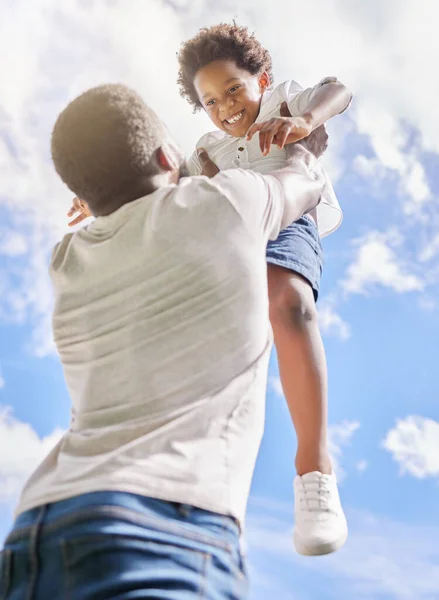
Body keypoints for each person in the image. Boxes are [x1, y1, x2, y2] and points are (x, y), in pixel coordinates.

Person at [0, 83, 325, 599]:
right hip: (163, 527)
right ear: (168, 155)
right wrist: (305, 140)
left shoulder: (67, 261)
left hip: (37, 530)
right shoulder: (227, 203)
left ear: (83, 194)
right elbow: (303, 179)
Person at [175, 22, 352, 556]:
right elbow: (160, 187)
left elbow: (336, 90)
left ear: (262, 80)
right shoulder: (207, 148)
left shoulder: (280, 103)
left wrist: (304, 119)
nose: (226, 107)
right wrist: (102, 196)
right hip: (230, 235)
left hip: (288, 218)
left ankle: (315, 470)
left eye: (234, 89)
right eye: (211, 101)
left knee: (288, 306)